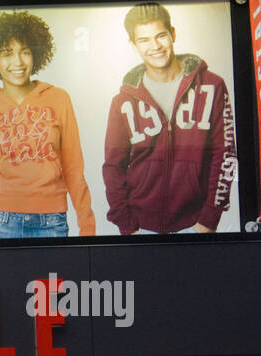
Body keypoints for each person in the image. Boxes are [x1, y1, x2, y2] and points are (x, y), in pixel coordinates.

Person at [102, 3, 235, 235]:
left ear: (172, 34)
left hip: (196, 225)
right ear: (133, 45)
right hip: (141, 228)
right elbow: (113, 167)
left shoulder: (212, 86)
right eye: (144, 40)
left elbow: (225, 156)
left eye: (160, 36)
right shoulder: (122, 102)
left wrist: (209, 220)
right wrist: (127, 226)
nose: (155, 46)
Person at [0, 10, 94, 239]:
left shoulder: (58, 98)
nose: (18, 62)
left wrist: (88, 226)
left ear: (35, 53)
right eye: (7, 53)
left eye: (25, 52)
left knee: (52, 277)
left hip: (51, 222)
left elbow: (74, 167)